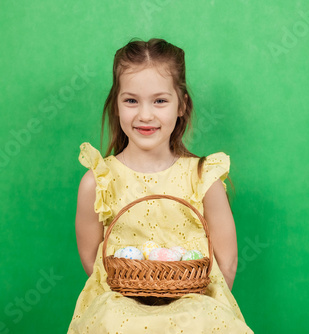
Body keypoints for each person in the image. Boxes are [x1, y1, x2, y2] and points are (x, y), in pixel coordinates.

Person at [67, 38, 253, 333]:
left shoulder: (203, 178)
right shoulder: (98, 182)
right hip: (121, 312)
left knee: (200, 318)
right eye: (131, 100)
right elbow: (94, 265)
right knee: (112, 318)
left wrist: (190, 311)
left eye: (160, 100)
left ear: (182, 105)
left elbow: (226, 265)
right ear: (116, 105)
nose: (145, 115)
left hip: (195, 307)